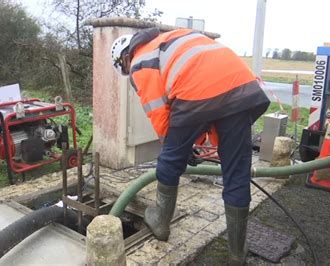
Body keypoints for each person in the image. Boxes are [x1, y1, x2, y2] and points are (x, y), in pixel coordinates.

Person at [111, 27, 270, 265]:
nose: (128, 72)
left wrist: (178, 149)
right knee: (237, 172)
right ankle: (237, 252)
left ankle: (161, 223)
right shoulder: (172, 38)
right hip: (241, 86)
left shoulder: (140, 61)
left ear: (124, 57)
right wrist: (191, 142)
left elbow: (161, 117)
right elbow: (215, 105)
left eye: (124, 69)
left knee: (169, 159)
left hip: (197, 91)